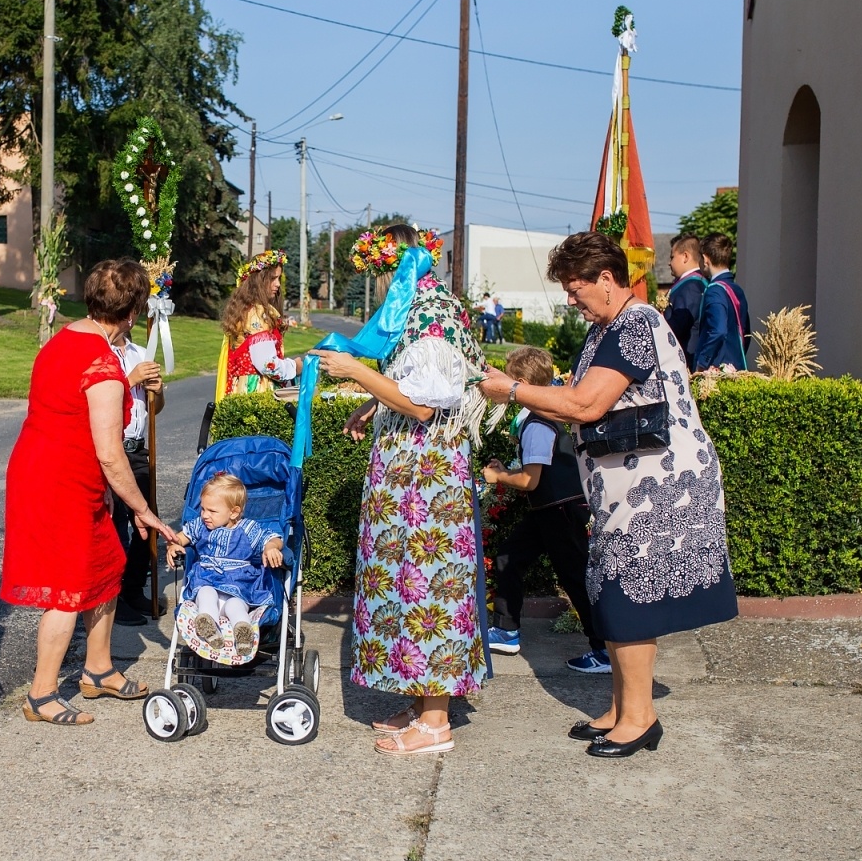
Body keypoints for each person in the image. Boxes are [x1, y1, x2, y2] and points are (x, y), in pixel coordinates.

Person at [479, 232, 738, 759]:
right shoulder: (609, 329)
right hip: (628, 488)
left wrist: (509, 389)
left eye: (575, 289)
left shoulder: (635, 325)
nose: (570, 300)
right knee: (610, 595)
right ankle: (623, 707)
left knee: (629, 603)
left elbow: (586, 404)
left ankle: (640, 718)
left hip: (659, 489)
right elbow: (568, 402)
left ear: (606, 279)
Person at [311, 223, 493, 757]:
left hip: (426, 481)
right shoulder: (423, 307)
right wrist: (372, 404)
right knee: (403, 583)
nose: (384, 283)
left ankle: (436, 722)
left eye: (386, 271)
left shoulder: (430, 317)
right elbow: (415, 389)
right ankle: (420, 703)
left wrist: (353, 371)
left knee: (428, 584)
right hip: (409, 474)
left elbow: (424, 405)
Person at [0, 260, 175, 726]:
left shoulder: (63, 339)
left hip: (52, 470)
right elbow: (112, 454)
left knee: (108, 562)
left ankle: (97, 670)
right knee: (67, 584)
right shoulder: (102, 366)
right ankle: (41, 694)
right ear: (134, 313)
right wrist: (145, 511)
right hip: (60, 480)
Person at [481, 345, 609, 674]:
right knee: (510, 557)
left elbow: (529, 480)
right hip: (550, 509)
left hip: (559, 510)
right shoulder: (537, 418)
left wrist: (497, 476)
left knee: (576, 577)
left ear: (521, 382)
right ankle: (506, 631)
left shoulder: (537, 423)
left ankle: (605, 650)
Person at [165, 473, 284, 657]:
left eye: (212, 511)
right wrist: (175, 545)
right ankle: (208, 625)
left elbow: (273, 538)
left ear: (234, 512)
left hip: (238, 584)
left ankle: (243, 632)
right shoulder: (200, 526)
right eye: (203, 509)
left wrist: (270, 548)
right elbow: (182, 537)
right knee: (205, 593)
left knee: (236, 605)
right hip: (206, 579)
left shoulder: (248, 528)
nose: (205, 515)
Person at [109, 323, 165, 626]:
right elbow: (105, 397)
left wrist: (156, 391)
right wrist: (132, 379)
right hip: (113, 447)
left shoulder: (140, 353)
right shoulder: (101, 353)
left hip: (138, 448)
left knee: (148, 519)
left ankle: (133, 588)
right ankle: (113, 597)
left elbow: (154, 408)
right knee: (117, 524)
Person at [219, 250, 298, 398]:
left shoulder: (246, 310)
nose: (278, 284)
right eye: (273, 278)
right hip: (257, 390)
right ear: (259, 281)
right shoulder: (258, 314)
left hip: (242, 389)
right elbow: (268, 365)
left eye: (279, 278)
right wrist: (295, 366)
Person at [689, 233, 750, 371]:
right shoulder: (737, 289)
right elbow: (746, 333)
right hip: (736, 366)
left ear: (705, 259)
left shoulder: (714, 291)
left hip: (716, 369)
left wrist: (702, 362)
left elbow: (718, 330)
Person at [663, 234, 706, 358]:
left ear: (685, 256)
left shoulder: (691, 286)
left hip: (686, 355)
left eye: (672, 257)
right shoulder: (691, 283)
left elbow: (680, 324)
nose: (669, 263)